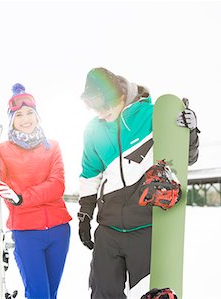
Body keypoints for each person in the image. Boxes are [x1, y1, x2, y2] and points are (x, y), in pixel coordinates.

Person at [77, 67, 200, 299]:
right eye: (94, 108)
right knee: (103, 294)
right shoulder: (93, 130)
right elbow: (90, 174)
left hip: (146, 228)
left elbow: (187, 158)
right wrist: (85, 214)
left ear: (118, 94)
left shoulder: (153, 115)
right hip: (108, 230)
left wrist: (190, 131)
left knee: (147, 294)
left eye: (103, 106)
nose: (100, 113)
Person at [0, 83, 72, 299]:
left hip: (59, 231)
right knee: (39, 295)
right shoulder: (3, 150)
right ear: (12, 120)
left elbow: (57, 185)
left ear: (37, 116)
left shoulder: (53, 146)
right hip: (26, 233)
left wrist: (22, 198)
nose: (26, 119)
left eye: (30, 113)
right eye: (19, 115)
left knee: (51, 294)